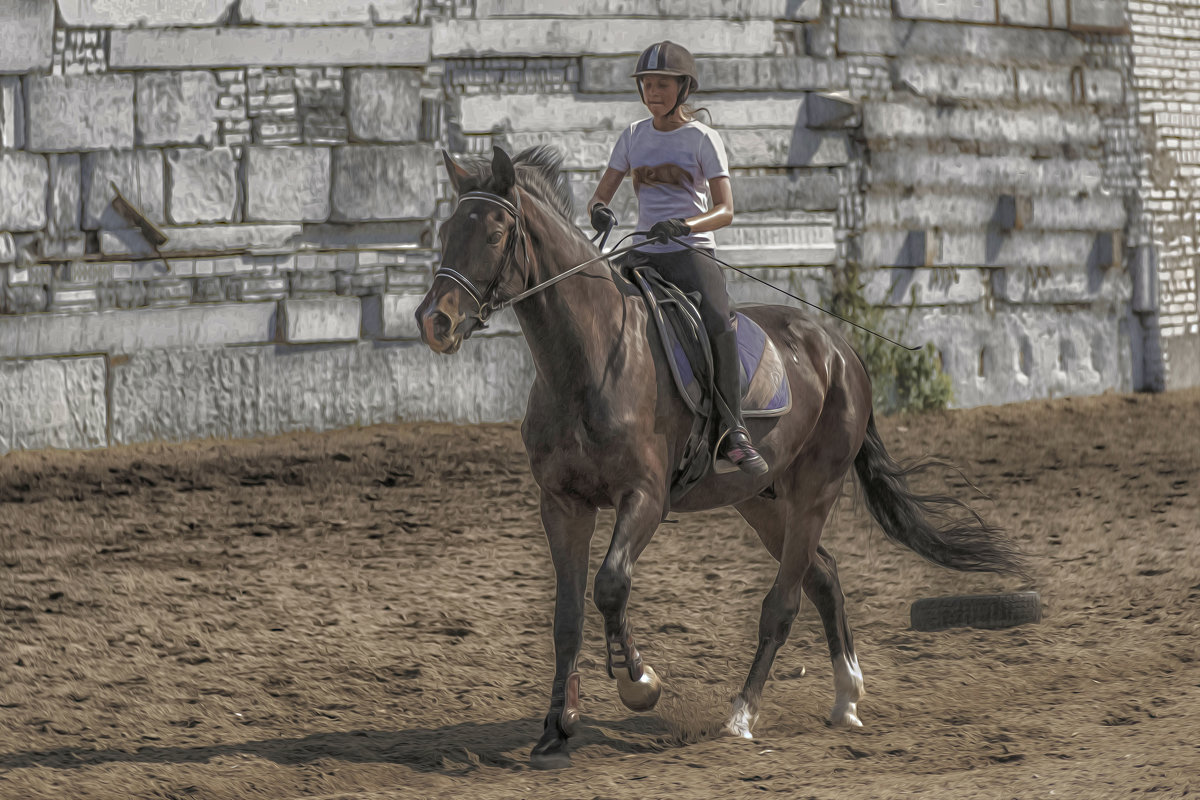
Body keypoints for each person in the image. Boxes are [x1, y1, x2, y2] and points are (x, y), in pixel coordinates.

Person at [588, 40, 768, 477]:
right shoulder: (631, 136)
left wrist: (686, 225)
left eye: (662, 84)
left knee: (718, 322)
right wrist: (599, 210)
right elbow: (601, 194)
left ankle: (733, 431)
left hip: (690, 253)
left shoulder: (703, 139)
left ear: (683, 89)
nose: (653, 92)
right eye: (647, 84)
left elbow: (726, 210)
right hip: (642, 252)